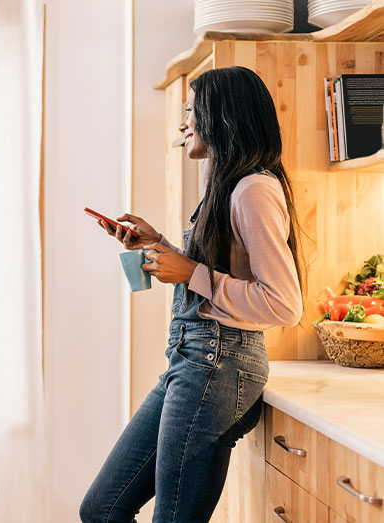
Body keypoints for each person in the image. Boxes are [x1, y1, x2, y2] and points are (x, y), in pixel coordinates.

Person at [79, 66, 304, 523]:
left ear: (222, 116)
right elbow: (220, 271)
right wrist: (157, 244)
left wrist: (192, 271)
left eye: (190, 110)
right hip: (194, 361)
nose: (184, 123)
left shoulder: (253, 189)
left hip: (219, 365)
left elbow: (283, 303)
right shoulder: (228, 184)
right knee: (101, 508)